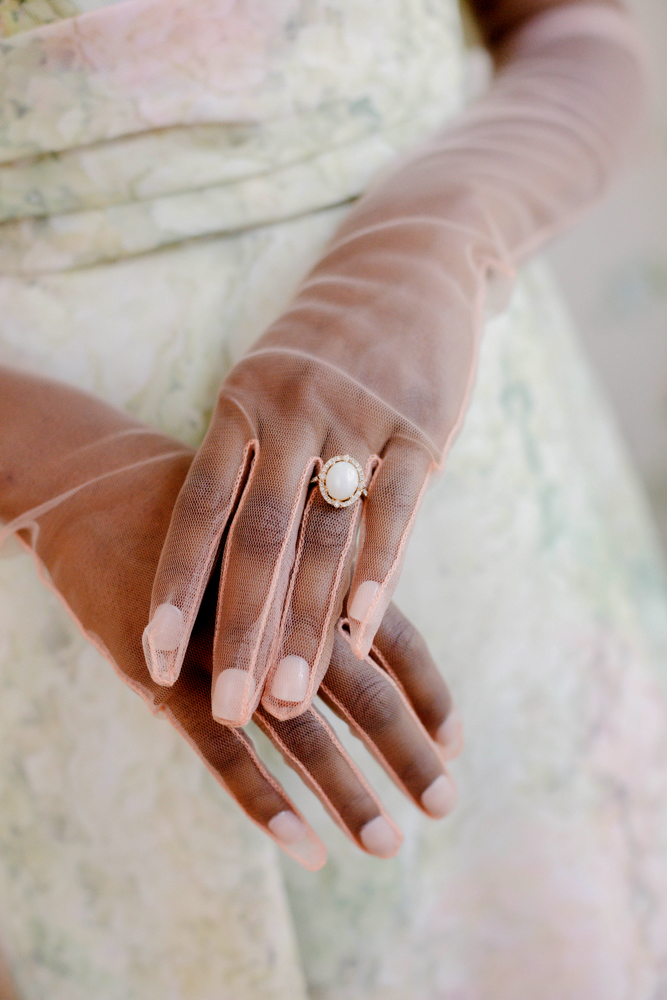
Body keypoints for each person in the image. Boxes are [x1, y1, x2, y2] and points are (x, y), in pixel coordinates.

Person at [1, 0, 666, 995]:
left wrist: (431, 239)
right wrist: (49, 468)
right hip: (54, 588)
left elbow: (579, 33)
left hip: (468, 490)